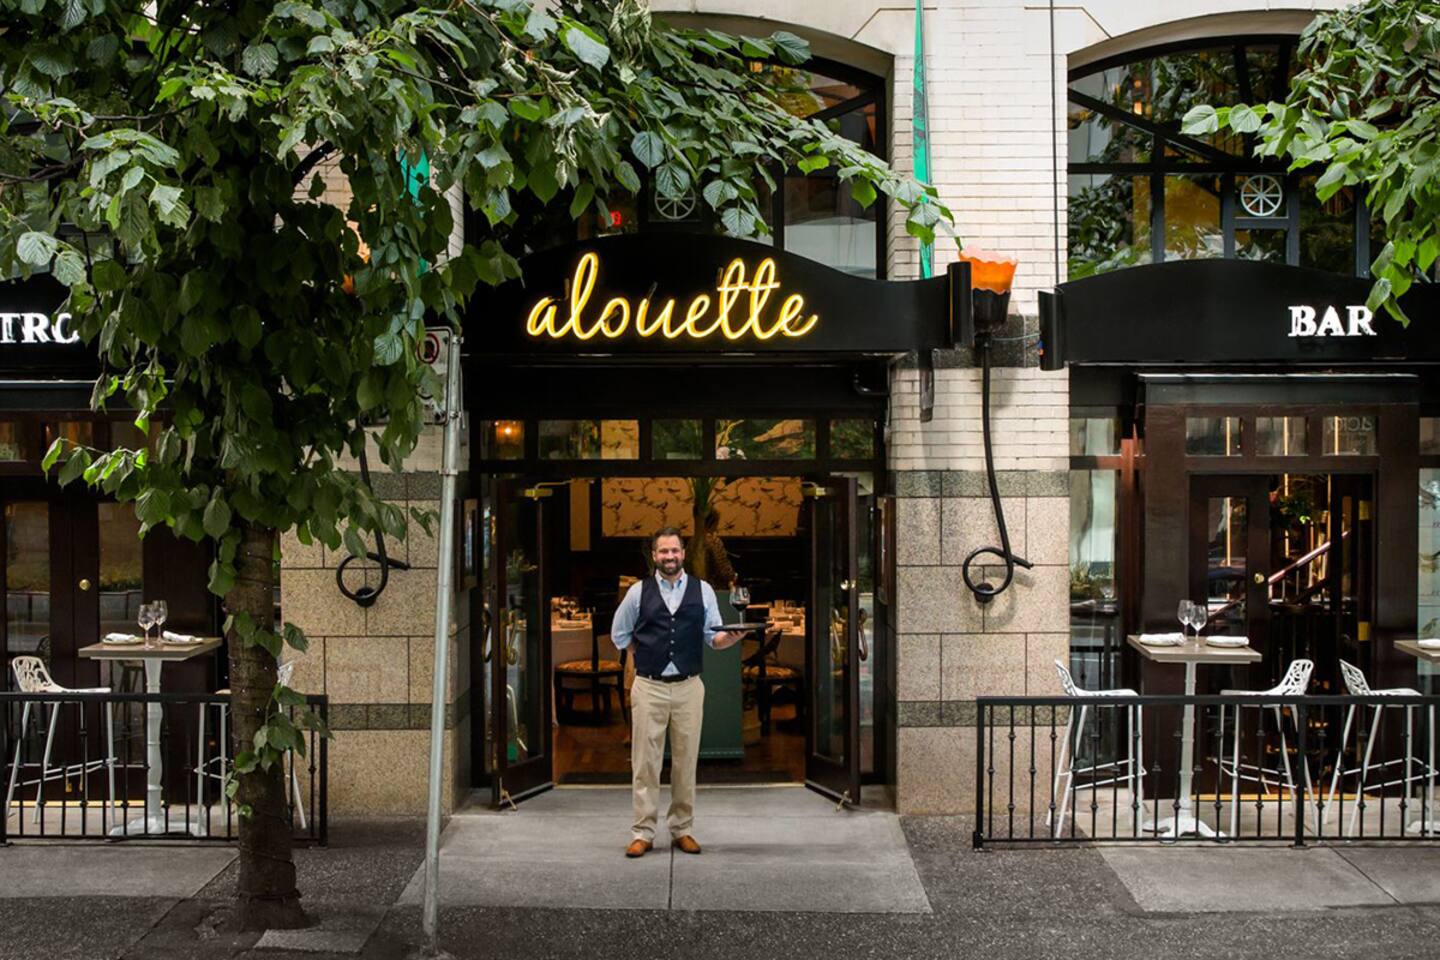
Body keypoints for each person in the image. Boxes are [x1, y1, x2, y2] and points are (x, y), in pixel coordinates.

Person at [610, 526, 745, 858]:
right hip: (649, 686)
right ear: (654, 555)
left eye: (674, 550)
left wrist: (731, 639)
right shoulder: (638, 592)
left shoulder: (704, 590)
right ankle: (643, 832)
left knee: (686, 762)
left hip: (688, 687)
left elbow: (713, 637)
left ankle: (682, 829)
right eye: (663, 551)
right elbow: (619, 634)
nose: (669, 556)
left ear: (683, 554)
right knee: (645, 763)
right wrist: (643, 653)